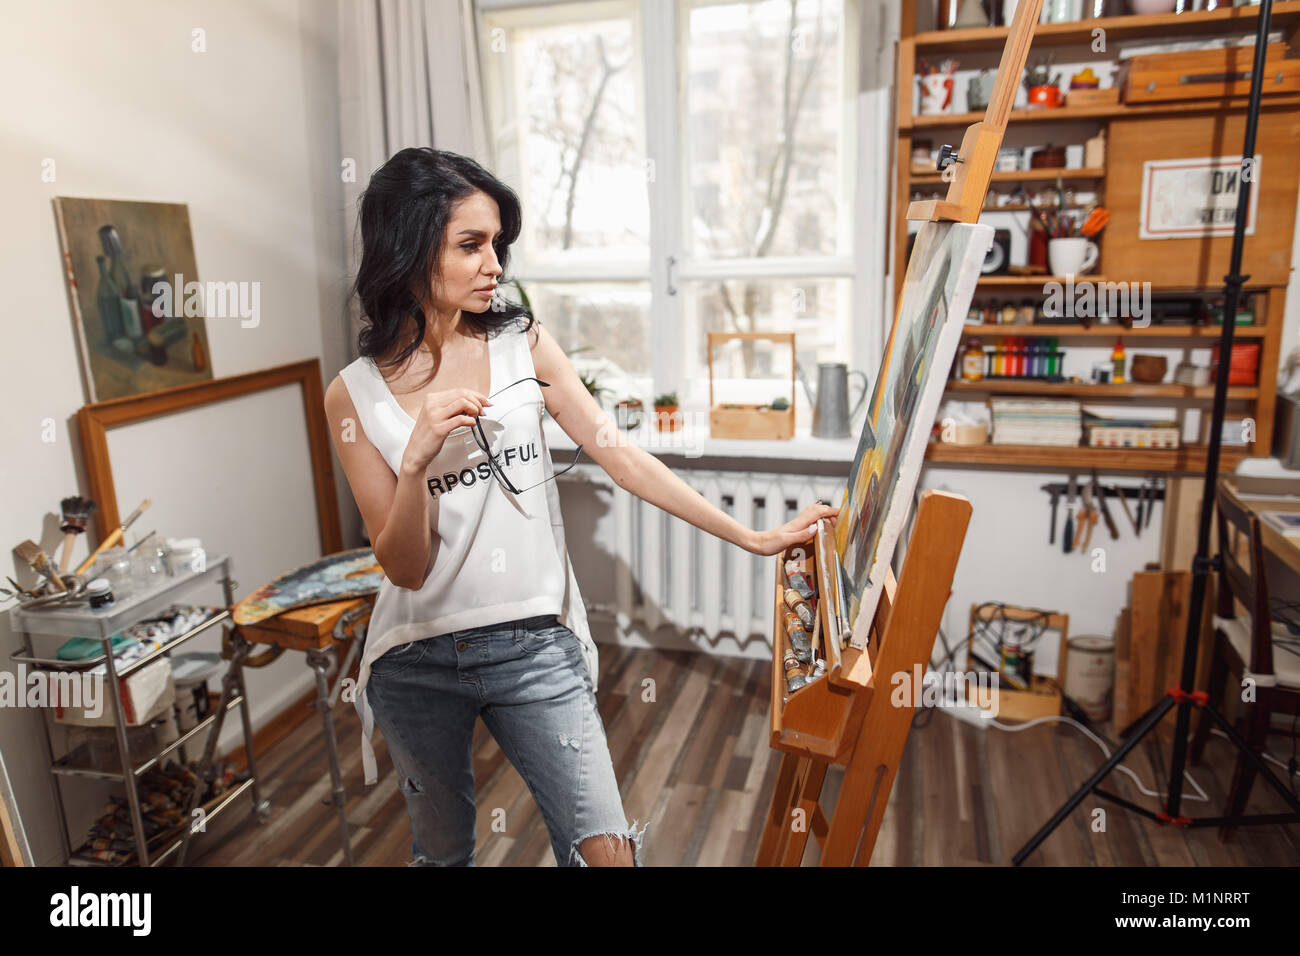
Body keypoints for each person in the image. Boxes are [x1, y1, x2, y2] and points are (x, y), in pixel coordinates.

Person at [324, 147, 838, 867]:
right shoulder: (353, 395)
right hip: (415, 657)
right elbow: (404, 567)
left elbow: (622, 456)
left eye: (497, 243)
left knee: (606, 852)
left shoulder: (522, 344)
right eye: (470, 244)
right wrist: (414, 464)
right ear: (408, 249)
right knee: (443, 855)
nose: (494, 264)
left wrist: (751, 537)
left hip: (534, 644)